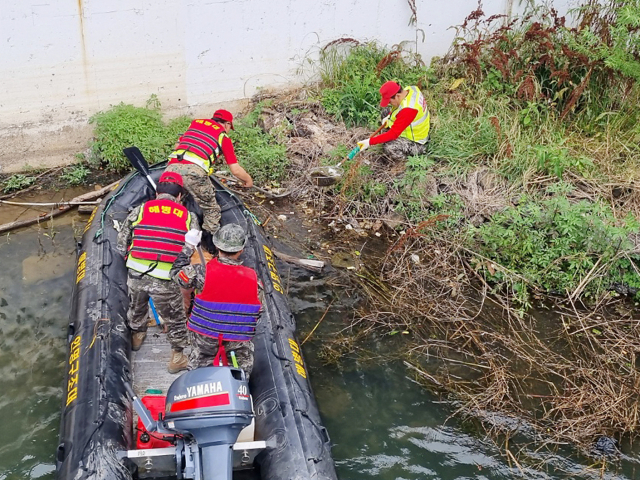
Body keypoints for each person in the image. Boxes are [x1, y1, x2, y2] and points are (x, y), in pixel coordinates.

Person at [116, 171, 200, 374]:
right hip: (166, 279)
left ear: (157, 193)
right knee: (176, 319)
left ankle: (137, 336)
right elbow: (190, 249)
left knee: (136, 307)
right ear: (179, 196)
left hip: (136, 274)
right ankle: (177, 358)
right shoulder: (189, 217)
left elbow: (121, 244)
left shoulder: (140, 210)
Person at [171, 223, 262, 376]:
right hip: (236, 340)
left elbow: (175, 275)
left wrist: (188, 247)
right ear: (241, 250)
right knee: (241, 371)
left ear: (217, 246)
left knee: (197, 371)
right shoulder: (254, 279)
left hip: (205, 338)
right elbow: (259, 312)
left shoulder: (200, 272)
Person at [164, 110, 253, 244]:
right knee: (211, 209)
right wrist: (248, 180)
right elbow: (235, 170)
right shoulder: (223, 137)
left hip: (170, 169)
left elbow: (177, 146)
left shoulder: (194, 124)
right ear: (227, 124)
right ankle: (209, 243)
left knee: (170, 204)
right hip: (194, 173)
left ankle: (168, 234)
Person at [357, 81, 431, 161]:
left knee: (389, 147)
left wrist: (369, 142)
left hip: (417, 142)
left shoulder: (408, 110)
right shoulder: (411, 89)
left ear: (397, 96)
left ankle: (405, 163)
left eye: (390, 101)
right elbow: (398, 108)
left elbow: (393, 134)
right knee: (385, 112)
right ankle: (385, 134)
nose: (389, 103)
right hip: (412, 126)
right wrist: (389, 116)